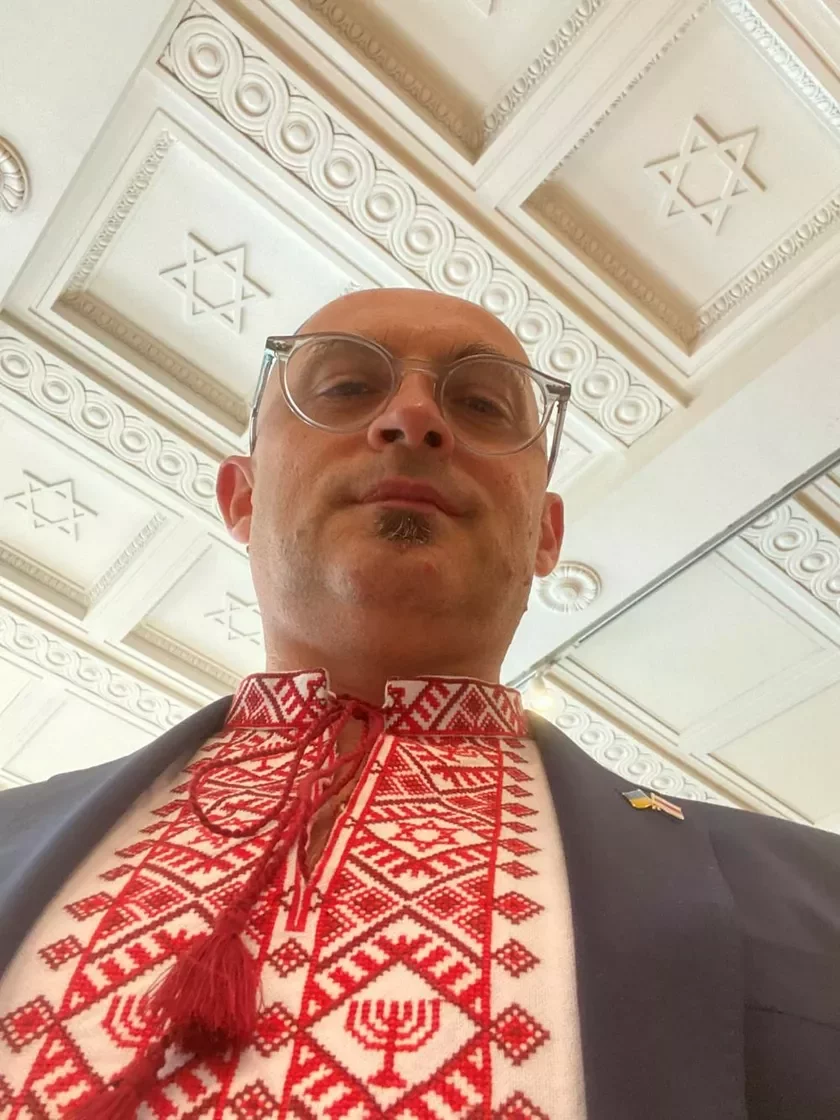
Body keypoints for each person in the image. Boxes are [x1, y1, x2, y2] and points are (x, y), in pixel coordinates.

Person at [0, 289, 837, 1120]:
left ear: (546, 534)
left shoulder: (815, 901)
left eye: (480, 404)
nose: (413, 419)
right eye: (346, 387)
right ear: (241, 498)